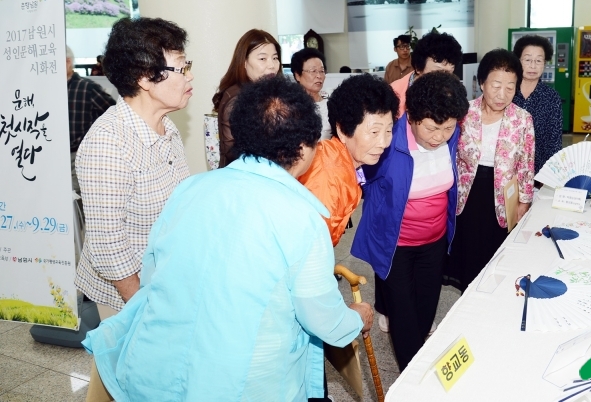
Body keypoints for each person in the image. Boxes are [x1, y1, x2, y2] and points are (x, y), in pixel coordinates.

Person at [82, 75, 373, 401]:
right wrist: (355, 318)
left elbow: (153, 275)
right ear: (305, 148)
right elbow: (322, 318)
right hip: (246, 383)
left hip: (158, 372)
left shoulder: (190, 189)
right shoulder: (302, 217)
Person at [75, 17, 191, 320]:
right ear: (144, 77)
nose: (189, 77)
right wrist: (144, 307)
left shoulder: (167, 127)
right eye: (181, 67)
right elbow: (108, 249)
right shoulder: (108, 143)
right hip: (126, 297)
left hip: (163, 283)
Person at [352, 72, 469, 371]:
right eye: (431, 128)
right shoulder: (389, 141)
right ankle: (413, 378)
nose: (439, 136)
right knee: (403, 317)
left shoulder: (450, 134)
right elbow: (360, 174)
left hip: (434, 239)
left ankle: (418, 369)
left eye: (448, 128)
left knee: (426, 311)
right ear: (413, 117)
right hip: (396, 246)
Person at [444, 48, 535, 292]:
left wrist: (524, 202)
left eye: (510, 87)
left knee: (497, 255)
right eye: (496, 85)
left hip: (504, 195)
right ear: (482, 82)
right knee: (469, 254)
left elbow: (526, 164)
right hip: (469, 192)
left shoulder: (523, 119)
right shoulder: (464, 112)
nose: (502, 94)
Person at [299, 73, 399, 247]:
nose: (384, 143)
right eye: (374, 132)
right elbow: (310, 250)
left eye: (389, 131)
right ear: (343, 130)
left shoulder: (341, 160)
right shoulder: (328, 177)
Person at [212, 29, 281, 168]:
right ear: (243, 62)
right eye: (263, 59)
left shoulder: (264, 92)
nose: (272, 65)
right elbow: (236, 153)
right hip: (242, 179)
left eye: (275, 58)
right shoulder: (237, 99)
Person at [66, 46, 116, 196]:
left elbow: (113, 113)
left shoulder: (87, 87)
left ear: (67, 62)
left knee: (76, 200)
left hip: (78, 157)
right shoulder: (48, 89)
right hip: (53, 156)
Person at [512, 35, 562, 177]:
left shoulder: (551, 98)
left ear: (545, 63)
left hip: (538, 171)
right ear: (518, 61)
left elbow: (554, 142)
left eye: (539, 60)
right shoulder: (507, 92)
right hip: (505, 169)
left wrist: (549, 175)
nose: (533, 65)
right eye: (527, 60)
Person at [391, 31, 462, 116]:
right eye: (439, 72)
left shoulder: (454, 92)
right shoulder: (394, 93)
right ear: (418, 68)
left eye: (449, 72)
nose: (445, 78)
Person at [292, 48, 333, 140]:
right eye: (313, 71)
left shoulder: (331, 103)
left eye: (322, 71)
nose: (319, 76)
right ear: (297, 75)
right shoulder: (291, 106)